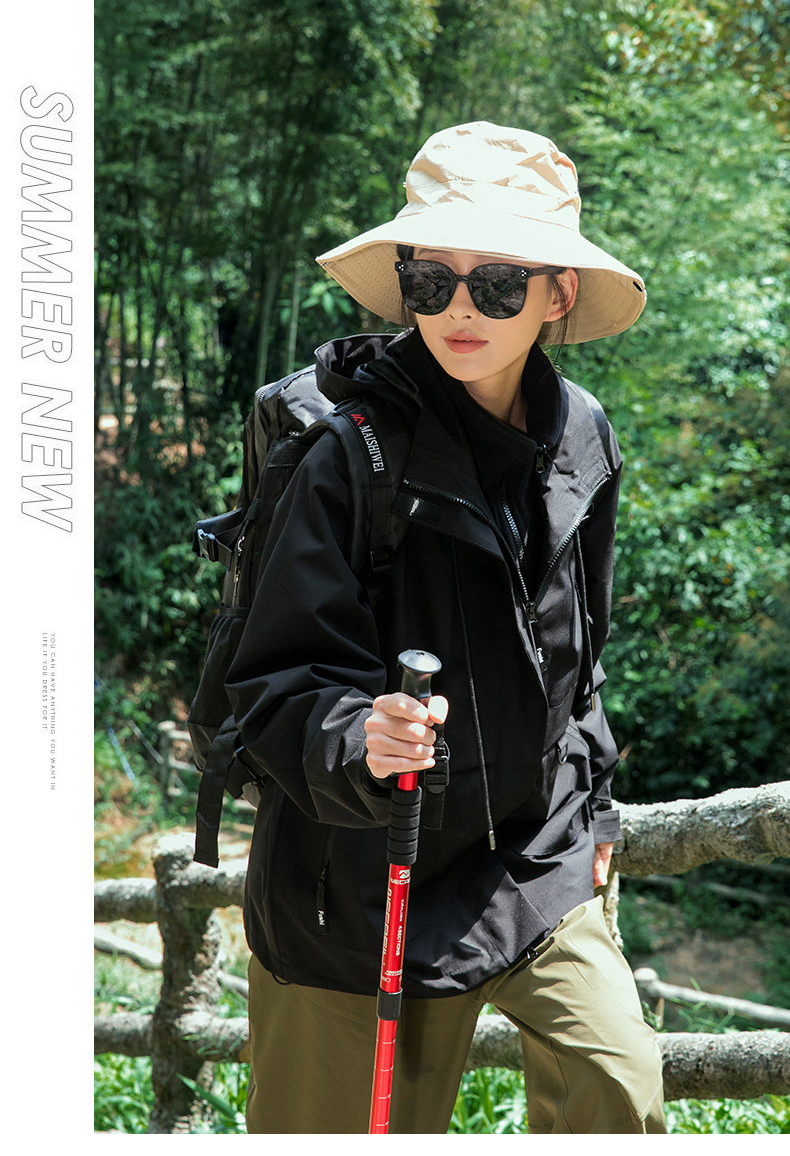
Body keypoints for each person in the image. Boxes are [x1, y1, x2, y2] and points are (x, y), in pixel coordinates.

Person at [225, 121, 667, 1134]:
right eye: (432, 280)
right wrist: (360, 735)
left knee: (619, 1091)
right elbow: (272, 688)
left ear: (557, 294)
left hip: (532, 853)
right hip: (359, 877)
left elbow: (579, 658)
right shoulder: (345, 457)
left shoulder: (583, 436)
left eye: (499, 284)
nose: (461, 308)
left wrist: (594, 810)